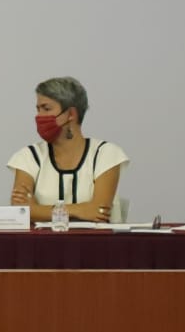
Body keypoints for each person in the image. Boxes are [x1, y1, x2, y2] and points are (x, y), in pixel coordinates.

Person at [8, 77, 129, 223]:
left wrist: (38, 210)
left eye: (46, 109)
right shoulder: (28, 156)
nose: (39, 116)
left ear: (71, 114)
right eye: (38, 109)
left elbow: (99, 212)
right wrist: (79, 210)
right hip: (42, 239)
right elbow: (21, 211)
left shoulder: (106, 154)